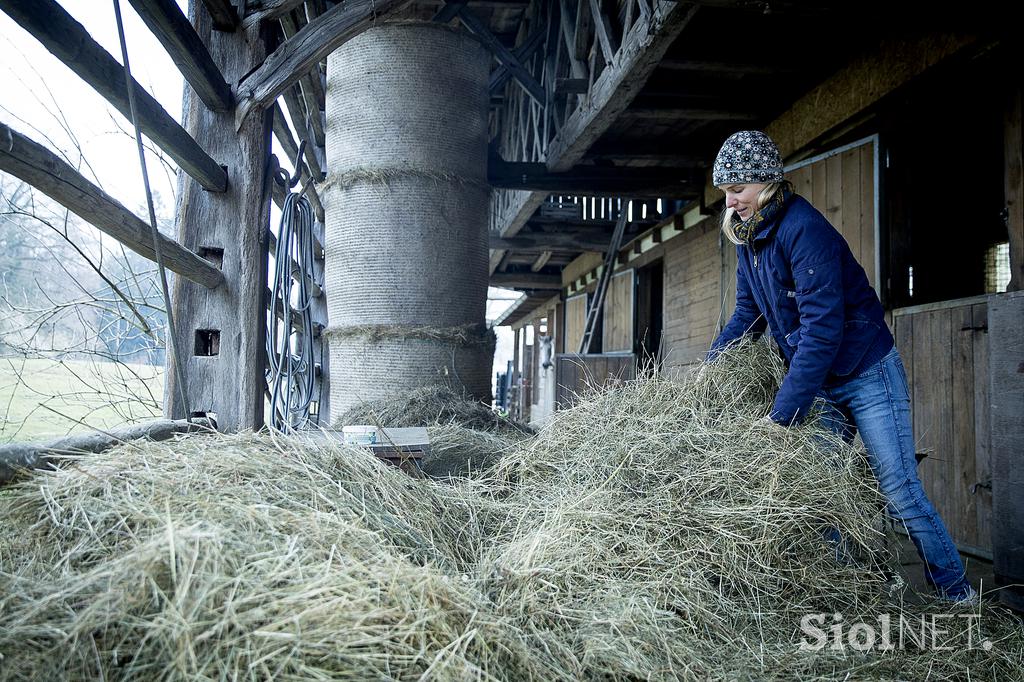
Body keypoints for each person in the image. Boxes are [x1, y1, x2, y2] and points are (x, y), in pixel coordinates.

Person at [706, 130, 977, 604]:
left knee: (898, 487)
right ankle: (849, 590)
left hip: (864, 371)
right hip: (821, 382)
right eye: (726, 191)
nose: (730, 201)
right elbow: (747, 315)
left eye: (738, 189)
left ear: (766, 183)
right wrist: (711, 371)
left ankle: (957, 596)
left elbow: (823, 332)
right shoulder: (747, 238)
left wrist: (781, 415)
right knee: (822, 490)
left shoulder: (803, 229)